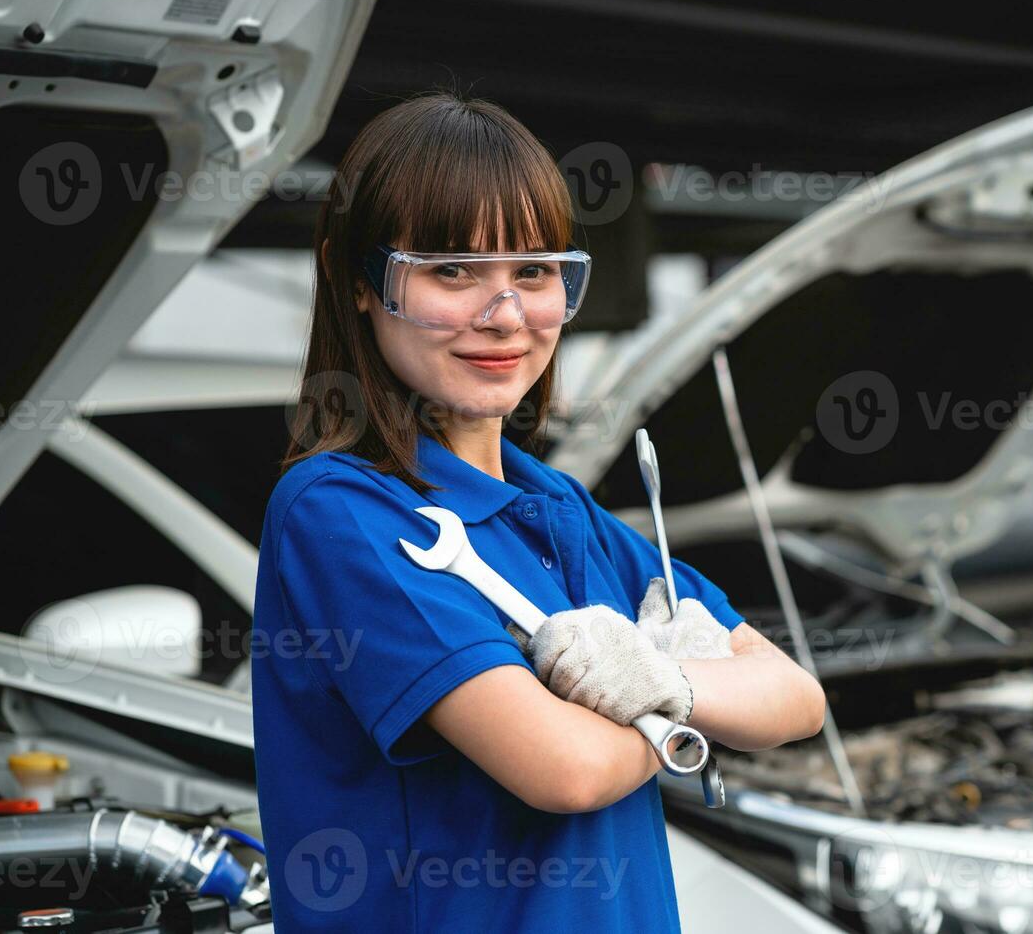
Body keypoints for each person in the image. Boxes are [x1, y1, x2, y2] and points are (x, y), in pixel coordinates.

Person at [251, 90, 826, 933]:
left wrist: (668, 679)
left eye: (534, 270)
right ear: (359, 281)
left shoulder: (558, 506)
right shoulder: (341, 514)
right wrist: (693, 707)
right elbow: (565, 771)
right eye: (451, 269)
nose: (505, 315)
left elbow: (797, 698)